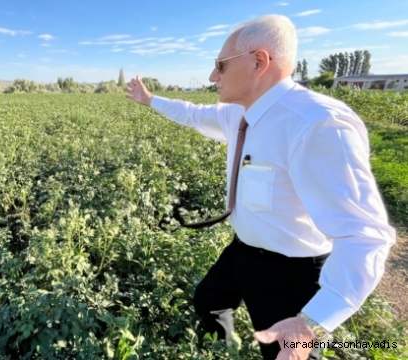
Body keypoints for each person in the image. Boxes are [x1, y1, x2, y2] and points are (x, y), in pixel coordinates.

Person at [124, 14, 396, 360]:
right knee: (209, 301)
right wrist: (149, 100)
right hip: (244, 251)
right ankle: (224, 351)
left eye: (220, 65)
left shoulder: (317, 123)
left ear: (259, 62)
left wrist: (310, 322)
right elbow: (192, 113)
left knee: (285, 351)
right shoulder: (239, 114)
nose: (212, 76)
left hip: (293, 273)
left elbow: (364, 234)